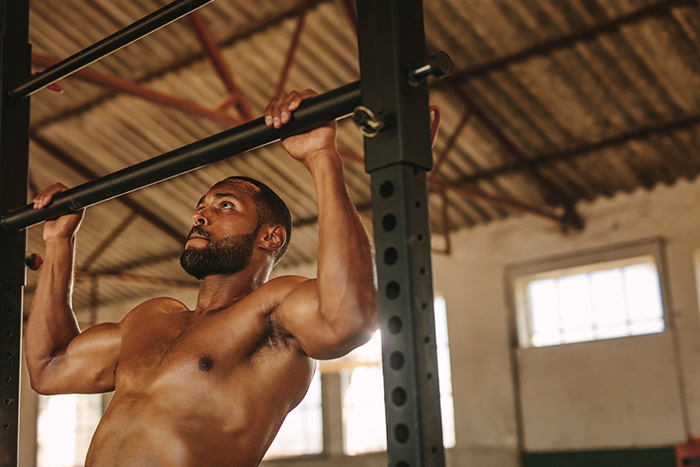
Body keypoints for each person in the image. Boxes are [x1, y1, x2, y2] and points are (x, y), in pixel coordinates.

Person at [25, 89, 378, 466]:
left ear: (270, 237)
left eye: (225, 205)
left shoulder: (273, 311)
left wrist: (321, 156)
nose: (200, 216)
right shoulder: (150, 319)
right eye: (200, 208)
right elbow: (49, 367)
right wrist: (60, 241)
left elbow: (351, 317)